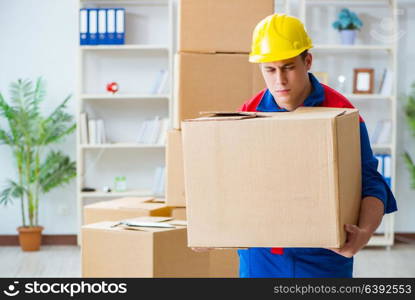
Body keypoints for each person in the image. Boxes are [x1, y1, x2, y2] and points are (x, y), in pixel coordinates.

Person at [193, 13, 397, 278]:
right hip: (260, 260)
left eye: (288, 67)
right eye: (270, 69)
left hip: (322, 259)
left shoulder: (342, 114)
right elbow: (228, 185)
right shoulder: (247, 113)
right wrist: (207, 225)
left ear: (307, 61)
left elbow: (370, 182)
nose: (280, 80)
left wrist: (365, 234)